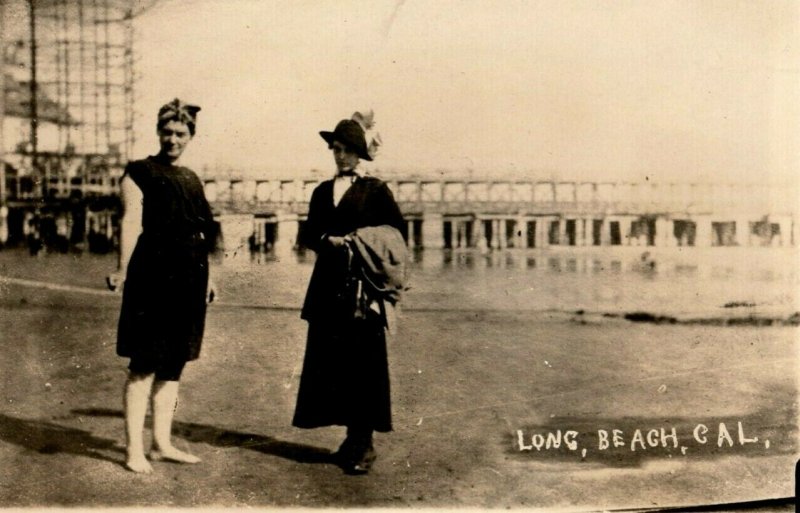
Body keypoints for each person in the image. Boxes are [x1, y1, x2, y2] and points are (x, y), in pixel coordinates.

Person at [292, 112, 407, 475]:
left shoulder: (376, 190)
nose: (340, 156)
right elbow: (308, 235)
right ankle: (350, 438)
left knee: (364, 365)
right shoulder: (322, 191)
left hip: (363, 288)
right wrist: (328, 240)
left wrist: (361, 242)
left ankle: (364, 442)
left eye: (347, 150)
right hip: (328, 287)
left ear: (360, 153)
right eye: (336, 149)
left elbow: (396, 234)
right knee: (333, 363)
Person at [107, 99, 216, 474]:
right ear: (158, 132)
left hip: (189, 280)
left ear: (190, 137)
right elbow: (130, 222)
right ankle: (134, 450)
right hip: (152, 279)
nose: (173, 139)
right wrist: (121, 269)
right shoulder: (139, 172)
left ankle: (162, 443)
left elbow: (202, 232)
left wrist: (210, 276)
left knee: (173, 367)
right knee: (143, 366)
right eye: (167, 132)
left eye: (180, 134)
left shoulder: (191, 178)